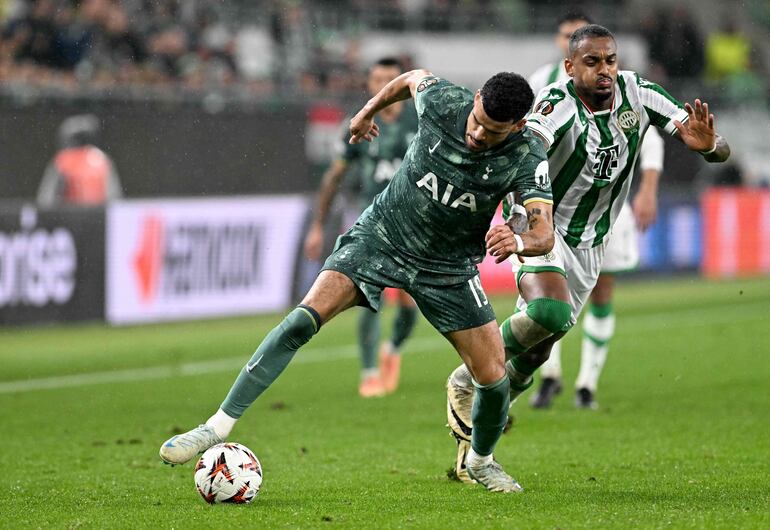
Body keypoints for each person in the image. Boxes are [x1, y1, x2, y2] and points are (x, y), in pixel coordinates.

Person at [160, 68, 559, 494]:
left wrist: (518, 238)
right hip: (381, 236)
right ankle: (215, 426)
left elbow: (544, 232)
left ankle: (480, 462)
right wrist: (366, 112)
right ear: (476, 98)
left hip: (447, 266)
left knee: (493, 377)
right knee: (301, 321)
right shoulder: (444, 101)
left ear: (517, 125)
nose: (478, 134)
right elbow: (411, 79)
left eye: (492, 132)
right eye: (477, 121)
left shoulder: (526, 153)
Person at [446, 24, 730, 485]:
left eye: (610, 60)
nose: (605, 70)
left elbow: (714, 146)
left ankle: (476, 454)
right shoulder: (556, 104)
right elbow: (527, 147)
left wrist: (712, 147)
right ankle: (468, 377)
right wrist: (513, 214)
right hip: (540, 223)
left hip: (592, 241)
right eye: (592, 61)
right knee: (549, 311)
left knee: (537, 351)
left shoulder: (639, 93)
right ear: (570, 66)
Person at [527, 12, 667, 410]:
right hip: (555, 211)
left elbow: (650, 136)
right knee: (548, 297)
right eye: (565, 34)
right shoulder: (543, 81)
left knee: (602, 290)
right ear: (566, 51)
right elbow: (528, 136)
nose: (570, 38)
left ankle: (587, 383)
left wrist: (648, 189)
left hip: (609, 208)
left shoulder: (624, 88)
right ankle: (550, 375)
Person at [303, 57, 420, 398]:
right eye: (377, 79)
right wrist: (317, 226)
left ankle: (392, 349)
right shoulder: (358, 122)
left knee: (411, 303)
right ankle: (369, 373)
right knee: (370, 295)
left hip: (415, 221)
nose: (384, 85)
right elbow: (334, 176)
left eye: (391, 78)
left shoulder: (421, 118)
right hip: (373, 220)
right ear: (369, 84)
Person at [36, 114, 123, 208]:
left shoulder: (63, 161)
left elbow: (46, 200)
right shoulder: (102, 159)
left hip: (70, 214)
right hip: (99, 214)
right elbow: (114, 197)